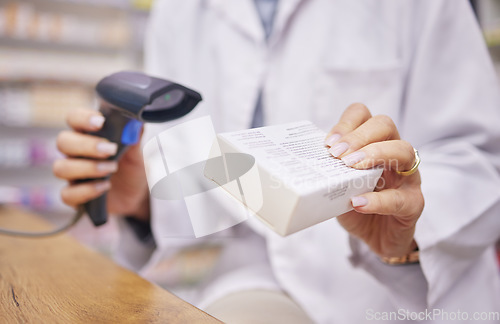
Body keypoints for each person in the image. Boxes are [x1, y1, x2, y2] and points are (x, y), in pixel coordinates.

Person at [53, 0, 500, 322]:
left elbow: (479, 159)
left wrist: (407, 231)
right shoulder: (180, 10)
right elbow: (204, 166)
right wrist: (142, 202)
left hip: (382, 290)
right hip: (240, 272)